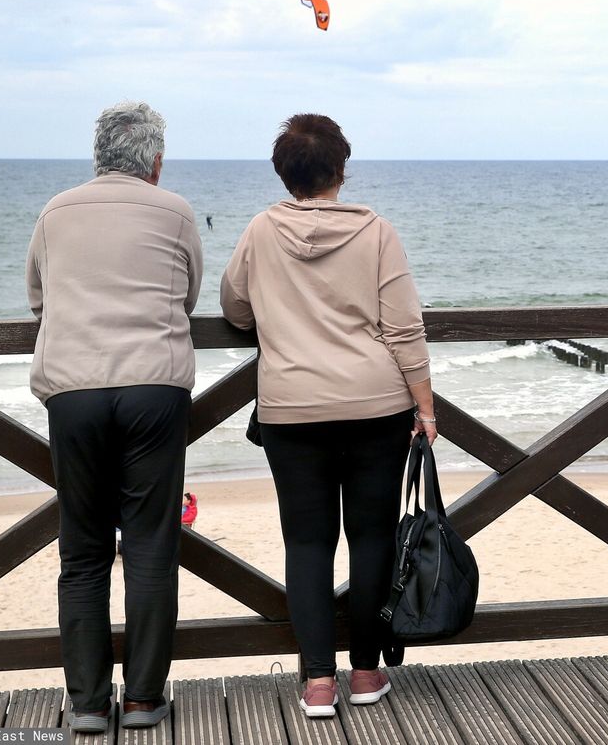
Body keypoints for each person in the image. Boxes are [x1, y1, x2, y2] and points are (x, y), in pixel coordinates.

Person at [220, 114, 434, 719]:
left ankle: (318, 682)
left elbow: (234, 307)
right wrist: (425, 403)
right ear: (341, 167)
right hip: (375, 405)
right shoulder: (377, 233)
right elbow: (403, 327)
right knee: (372, 537)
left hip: (291, 409)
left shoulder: (261, 230)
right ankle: (366, 673)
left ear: (284, 173)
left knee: (307, 543)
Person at [27, 102, 202, 734]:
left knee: (83, 550)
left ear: (97, 156)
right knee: (152, 545)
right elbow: (187, 295)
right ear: (155, 162)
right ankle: (144, 699)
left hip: (74, 389)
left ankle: (89, 703)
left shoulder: (54, 211)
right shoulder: (176, 211)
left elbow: (38, 297)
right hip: (153, 386)